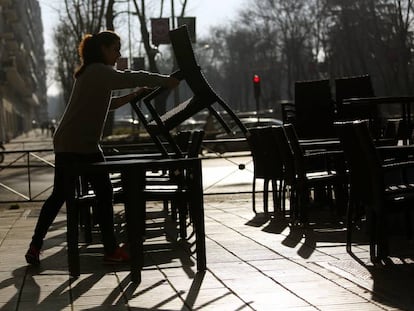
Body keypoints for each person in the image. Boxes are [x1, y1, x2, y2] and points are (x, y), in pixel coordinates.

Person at [25, 30, 179, 265]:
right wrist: (164, 80)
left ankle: (37, 246)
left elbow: (110, 104)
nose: (118, 54)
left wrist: (134, 95)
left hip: (73, 142)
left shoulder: (93, 73)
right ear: (103, 49)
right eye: (115, 49)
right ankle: (109, 251)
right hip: (78, 144)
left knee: (64, 195)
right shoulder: (99, 71)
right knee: (97, 194)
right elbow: (130, 76)